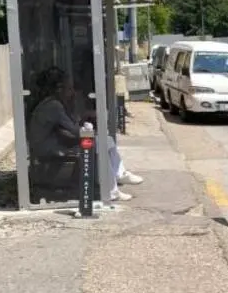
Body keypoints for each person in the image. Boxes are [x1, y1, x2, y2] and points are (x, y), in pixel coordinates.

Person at [28, 67, 143, 202]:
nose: (72, 93)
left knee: (107, 140)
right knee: (100, 145)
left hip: (51, 143)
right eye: (69, 89)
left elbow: (67, 128)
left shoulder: (53, 103)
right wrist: (87, 125)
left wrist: (82, 118)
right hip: (48, 149)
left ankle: (119, 173)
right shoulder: (54, 106)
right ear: (59, 89)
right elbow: (75, 131)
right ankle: (111, 190)